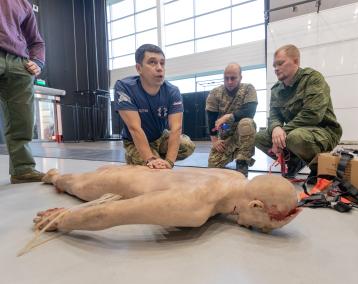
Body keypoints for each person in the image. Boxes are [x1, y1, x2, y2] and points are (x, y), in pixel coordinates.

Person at [33, 166, 302, 233]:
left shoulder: (235, 176)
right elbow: (111, 213)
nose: (259, 230)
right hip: (118, 182)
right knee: (70, 182)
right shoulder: (194, 207)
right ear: (255, 205)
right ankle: (52, 174)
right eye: (264, 226)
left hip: (144, 173)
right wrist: (64, 220)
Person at [255, 44, 342, 181]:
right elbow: (274, 116)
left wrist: (283, 130)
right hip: (294, 133)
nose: (276, 69)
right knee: (260, 137)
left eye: (280, 63)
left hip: (324, 132)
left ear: (296, 61)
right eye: (274, 65)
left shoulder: (312, 79)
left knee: (294, 137)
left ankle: (318, 167)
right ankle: (294, 161)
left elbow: (313, 114)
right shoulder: (277, 89)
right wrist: (276, 129)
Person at [114, 44, 195, 170]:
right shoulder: (124, 87)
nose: (159, 68)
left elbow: (176, 128)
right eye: (152, 62)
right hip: (134, 141)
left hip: (159, 137)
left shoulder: (172, 91)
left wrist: (169, 162)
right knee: (153, 170)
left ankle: (158, 157)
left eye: (162, 63)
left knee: (187, 145)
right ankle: (136, 157)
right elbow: (134, 128)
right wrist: (151, 159)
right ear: (139, 68)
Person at [0, 0, 46, 184]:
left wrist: (38, 62)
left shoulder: (23, 3)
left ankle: (23, 169)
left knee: (24, 120)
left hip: (19, 63)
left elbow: (36, 40)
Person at [205, 63, 258, 177]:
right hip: (226, 137)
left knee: (247, 123)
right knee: (212, 165)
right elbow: (210, 119)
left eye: (233, 78)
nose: (229, 81)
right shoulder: (215, 93)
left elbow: (250, 111)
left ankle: (242, 161)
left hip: (243, 135)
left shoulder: (248, 89)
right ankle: (231, 155)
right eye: (226, 78)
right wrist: (214, 141)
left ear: (240, 77)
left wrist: (229, 116)